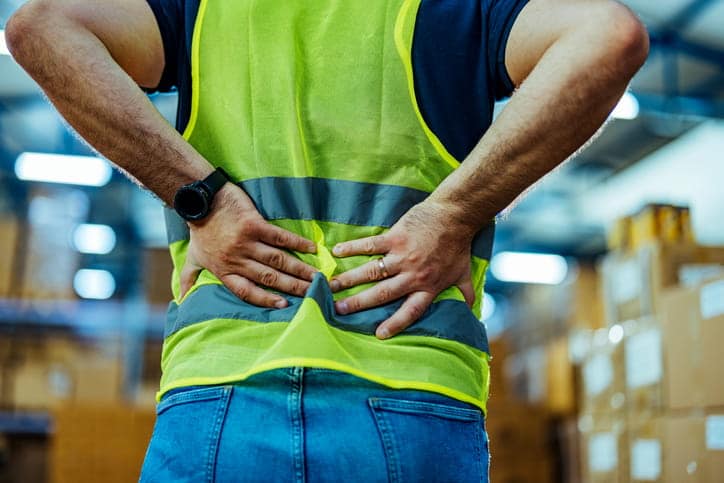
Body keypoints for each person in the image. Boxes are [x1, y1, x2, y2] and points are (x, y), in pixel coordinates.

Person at [6, 0, 648, 480]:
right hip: (409, 386)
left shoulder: (204, 9)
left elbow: (41, 28)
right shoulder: (456, 8)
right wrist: (453, 214)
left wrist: (201, 198)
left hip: (222, 384)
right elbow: (609, 36)